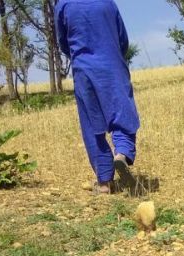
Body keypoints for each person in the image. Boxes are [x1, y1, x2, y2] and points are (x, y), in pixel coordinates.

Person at [55, 0, 140, 194]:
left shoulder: (63, 5)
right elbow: (122, 38)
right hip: (112, 65)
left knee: (92, 124)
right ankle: (122, 153)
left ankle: (104, 183)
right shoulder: (107, 3)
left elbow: (63, 43)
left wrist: (80, 57)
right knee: (122, 112)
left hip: (83, 70)